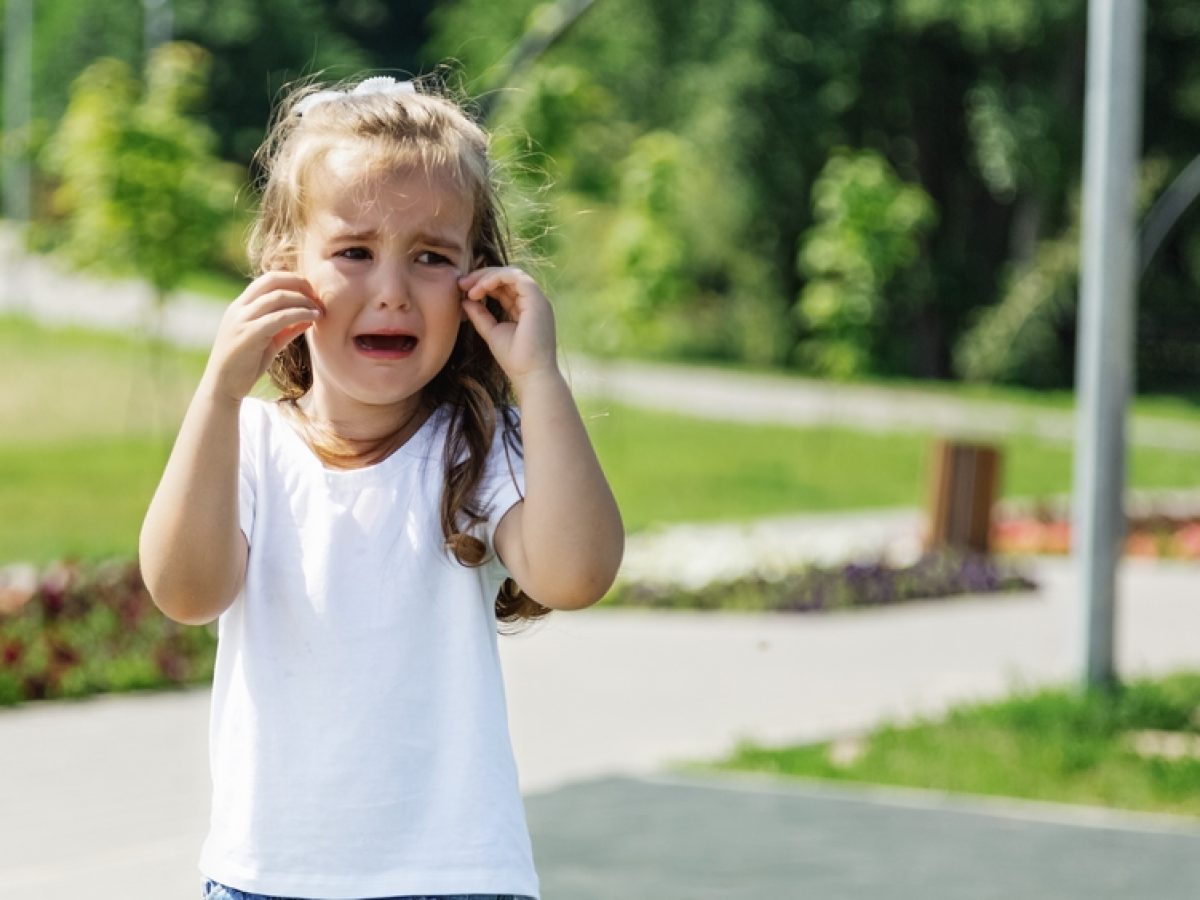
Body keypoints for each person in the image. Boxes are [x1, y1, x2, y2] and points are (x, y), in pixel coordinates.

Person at [138, 74, 624, 900]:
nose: (392, 288)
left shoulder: (471, 446)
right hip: (267, 880)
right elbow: (185, 591)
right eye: (355, 251)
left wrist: (537, 375)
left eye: (431, 256)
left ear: (479, 281)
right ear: (287, 272)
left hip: (455, 878)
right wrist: (217, 393)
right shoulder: (248, 443)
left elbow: (575, 574)